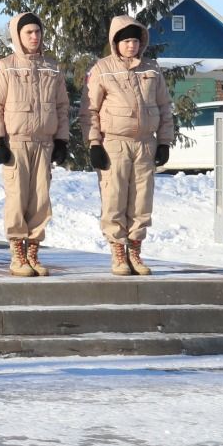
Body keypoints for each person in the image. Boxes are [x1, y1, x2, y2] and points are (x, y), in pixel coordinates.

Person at [80, 15, 175, 276]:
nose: (131, 46)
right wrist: (94, 143)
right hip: (115, 144)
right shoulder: (101, 69)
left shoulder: (152, 69)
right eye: (126, 41)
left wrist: (164, 142)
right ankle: (118, 253)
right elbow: (89, 111)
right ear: (116, 43)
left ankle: (135, 251)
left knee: (142, 201)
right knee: (115, 198)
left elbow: (165, 107)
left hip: (145, 144)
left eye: (135, 40)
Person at [0, 12, 71, 277]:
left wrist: (61, 139)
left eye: (37, 32)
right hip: (16, 144)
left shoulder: (52, 68)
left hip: (44, 144)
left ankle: (33, 251)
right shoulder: (6, 66)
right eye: (28, 32)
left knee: (41, 200)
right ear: (18, 36)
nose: (34, 37)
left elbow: (62, 107)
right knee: (17, 199)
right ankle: (17, 254)